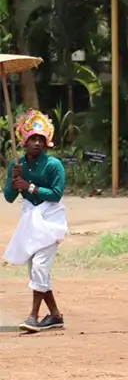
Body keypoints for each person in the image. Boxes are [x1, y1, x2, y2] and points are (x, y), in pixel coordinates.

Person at [4, 110, 68, 333]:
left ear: (47, 141)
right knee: (36, 270)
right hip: (29, 220)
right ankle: (55, 315)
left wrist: (29, 186)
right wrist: (14, 181)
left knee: (40, 266)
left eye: (41, 139)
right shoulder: (17, 165)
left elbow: (56, 194)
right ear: (25, 140)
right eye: (33, 138)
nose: (37, 143)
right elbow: (9, 197)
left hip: (50, 219)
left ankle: (33, 316)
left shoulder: (54, 165)